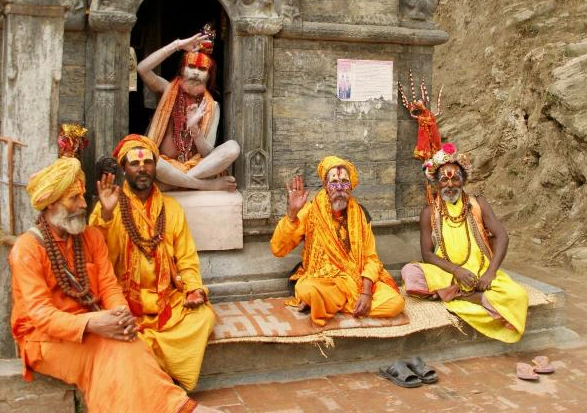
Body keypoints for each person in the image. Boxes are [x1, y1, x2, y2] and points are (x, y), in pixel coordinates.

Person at [10, 156, 218, 413]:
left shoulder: (91, 237)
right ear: (51, 204)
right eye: (74, 199)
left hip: (95, 324)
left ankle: (178, 407)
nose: (83, 204)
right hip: (44, 339)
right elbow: (40, 315)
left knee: (132, 342)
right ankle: (180, 408)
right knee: (111, 350)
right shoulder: (27, 249)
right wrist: (93, 323)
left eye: (82, 197)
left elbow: (109, 286)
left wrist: (120, 315)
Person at [90, 134, 215, 391]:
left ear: (155, 166)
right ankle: (158, 377)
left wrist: (192, 288)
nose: (142, 168)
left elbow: (187, 257)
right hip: (123, 300)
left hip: (165, 299)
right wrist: (104, 213)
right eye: (134, 164)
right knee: (119, 331)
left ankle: (155, 373)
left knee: (203, 317)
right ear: (124, 167)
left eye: (147, 162)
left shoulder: (171, 208)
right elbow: (95, 253)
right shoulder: (109, 207)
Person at [401, 143, 528, 343]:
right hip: (448, 274)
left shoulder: (478, 204)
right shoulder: (429, 213)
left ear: (463, 181)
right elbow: (427, 254)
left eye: (455, 179)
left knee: (517, 296)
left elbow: (502, 236)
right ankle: (468, 296)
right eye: (444, 179)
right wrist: (456, 271)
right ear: (436, 183)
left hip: (480, 273)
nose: (450, 185)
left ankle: (456, 296)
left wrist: (490, 272)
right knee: (411, 273)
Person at [270, 155, 405, 327]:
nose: (339, 187)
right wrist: (291, 215)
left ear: (351, 186)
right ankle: (337, 303)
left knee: (395, 302)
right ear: (326, 186)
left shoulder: (360, 214)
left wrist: (366, 293)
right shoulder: (310, 211)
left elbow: (371, 258)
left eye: (344, 182)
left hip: (354, 282)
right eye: (334, 182)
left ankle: (334, 305)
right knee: (307, 290)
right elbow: (278, 249)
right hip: (323, 281)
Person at [137, 24, 239, 191]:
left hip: (195, 168)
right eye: (191, 67)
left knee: (232, 147)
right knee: (150, 158)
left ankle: (176, 183)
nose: (196, 73)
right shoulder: (166, 89)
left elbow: (208, 154)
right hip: (164, 168)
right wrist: (177, 45)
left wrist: (195, 130)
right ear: (182, 70)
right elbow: (142, 69)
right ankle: (204, 186)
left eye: (202, 69)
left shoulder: (212, 106)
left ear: (208, 75)